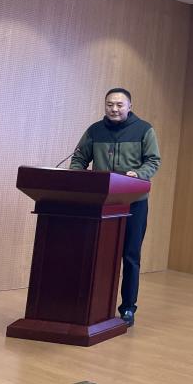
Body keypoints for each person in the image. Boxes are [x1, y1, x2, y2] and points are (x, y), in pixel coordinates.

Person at [70, 87, 160, 328]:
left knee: (130, 256)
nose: (114, 109)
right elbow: (79, 159)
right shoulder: (95, 130)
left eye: (120, 105)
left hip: (134, 202)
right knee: (98, 254)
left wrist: (138, 174)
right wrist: (77, 178)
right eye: (110, 104)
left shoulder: (144, 129)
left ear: (130, 106)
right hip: (101, 202)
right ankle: (94, 304)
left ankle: (128, 307)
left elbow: (153, 160)